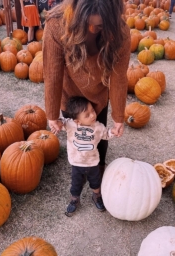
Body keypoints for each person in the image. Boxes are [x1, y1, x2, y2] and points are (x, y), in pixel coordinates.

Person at [43, 0, 131, 176]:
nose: (91, 30)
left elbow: (118, 77)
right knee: (76, 138)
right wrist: (52, 114)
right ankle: (78, 169)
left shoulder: (120, 32)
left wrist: (119, 116)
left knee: (99, 138)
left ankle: (99, 170)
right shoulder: (57, 23)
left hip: (98, 93)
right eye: (86, 24)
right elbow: (53, 74)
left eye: (98, 26)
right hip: (71, 95)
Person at [57, 96, 115, 216]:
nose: (93, 115)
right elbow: (60, 122)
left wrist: (113, 132)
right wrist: (56, 122)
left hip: (92, 162)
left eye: (92, 111)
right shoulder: (71, 125)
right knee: (76, 183)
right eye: (87, 115)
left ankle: (96, 196)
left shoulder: (98, 127)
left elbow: (106, 135)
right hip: (77, 162)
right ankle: (74, 199)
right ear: (77, 121)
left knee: (95, 182)